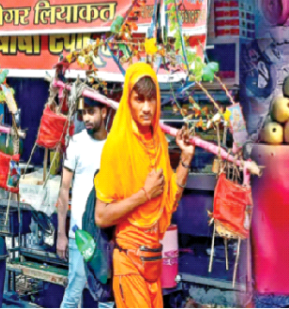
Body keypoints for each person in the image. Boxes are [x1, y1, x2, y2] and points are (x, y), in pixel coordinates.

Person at [94, 63, 195, 308]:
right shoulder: (116, 146)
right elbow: (101, 216)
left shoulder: (159, 141)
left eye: (151, 99)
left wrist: (185, 159)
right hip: (129, 261)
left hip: (153, 260)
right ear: (128, 101)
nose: (147, 108)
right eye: (139, 100)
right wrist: (144, 194)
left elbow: (169, 203)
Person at [56, 97, 113, 308]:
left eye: (91, 112)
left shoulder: (114, 145)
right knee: (73, 294)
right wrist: (61, 235)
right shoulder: (76, 143)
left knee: (106, 299)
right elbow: (64, 191)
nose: (86, 118)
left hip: (105, 235)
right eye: (83, 113)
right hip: (79, 235)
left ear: (104, 112)